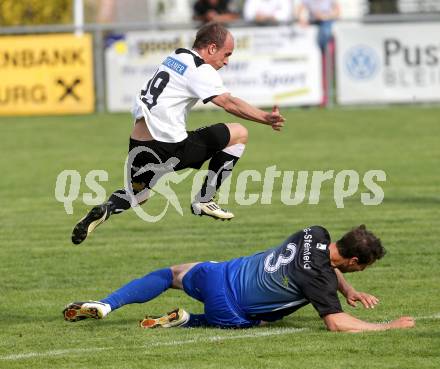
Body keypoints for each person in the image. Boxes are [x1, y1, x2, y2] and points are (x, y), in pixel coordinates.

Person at [71, 22, 285, 245]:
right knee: (239, 133)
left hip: (139, 145)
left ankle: (107, 208)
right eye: (226, 54)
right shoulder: (200, 69)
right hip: (168, 147)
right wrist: (264, 118)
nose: (227, 62)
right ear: (211, 48)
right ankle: (205, 198)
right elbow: (228, 102)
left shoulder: (177, 55)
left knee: (139, 195)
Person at [64, 225, 415, 332]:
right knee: (263, 318)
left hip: (220, 274)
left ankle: (107, 304)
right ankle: (189, 322)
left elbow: (326, 263)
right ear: (354, 260)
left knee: (169, 274)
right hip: (230, 312)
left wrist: (349, 289)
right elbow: (337, 324)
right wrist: (388, 326)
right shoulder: (320, 279)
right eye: (360, 268)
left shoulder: (314, 232)